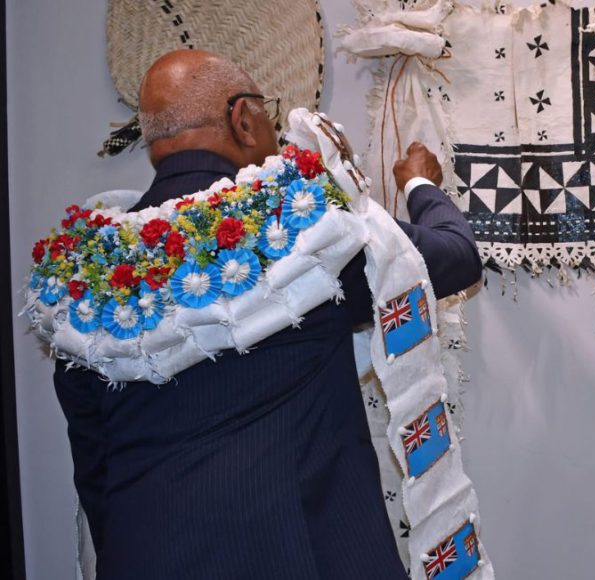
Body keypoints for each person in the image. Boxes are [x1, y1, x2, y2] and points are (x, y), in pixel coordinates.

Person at [52, 50, 482, 579]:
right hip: (307, 557)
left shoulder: (89, 281)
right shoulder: (298, 228)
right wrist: (420, 185)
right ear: (243, 118)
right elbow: (455, 257)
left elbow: (95, 470)